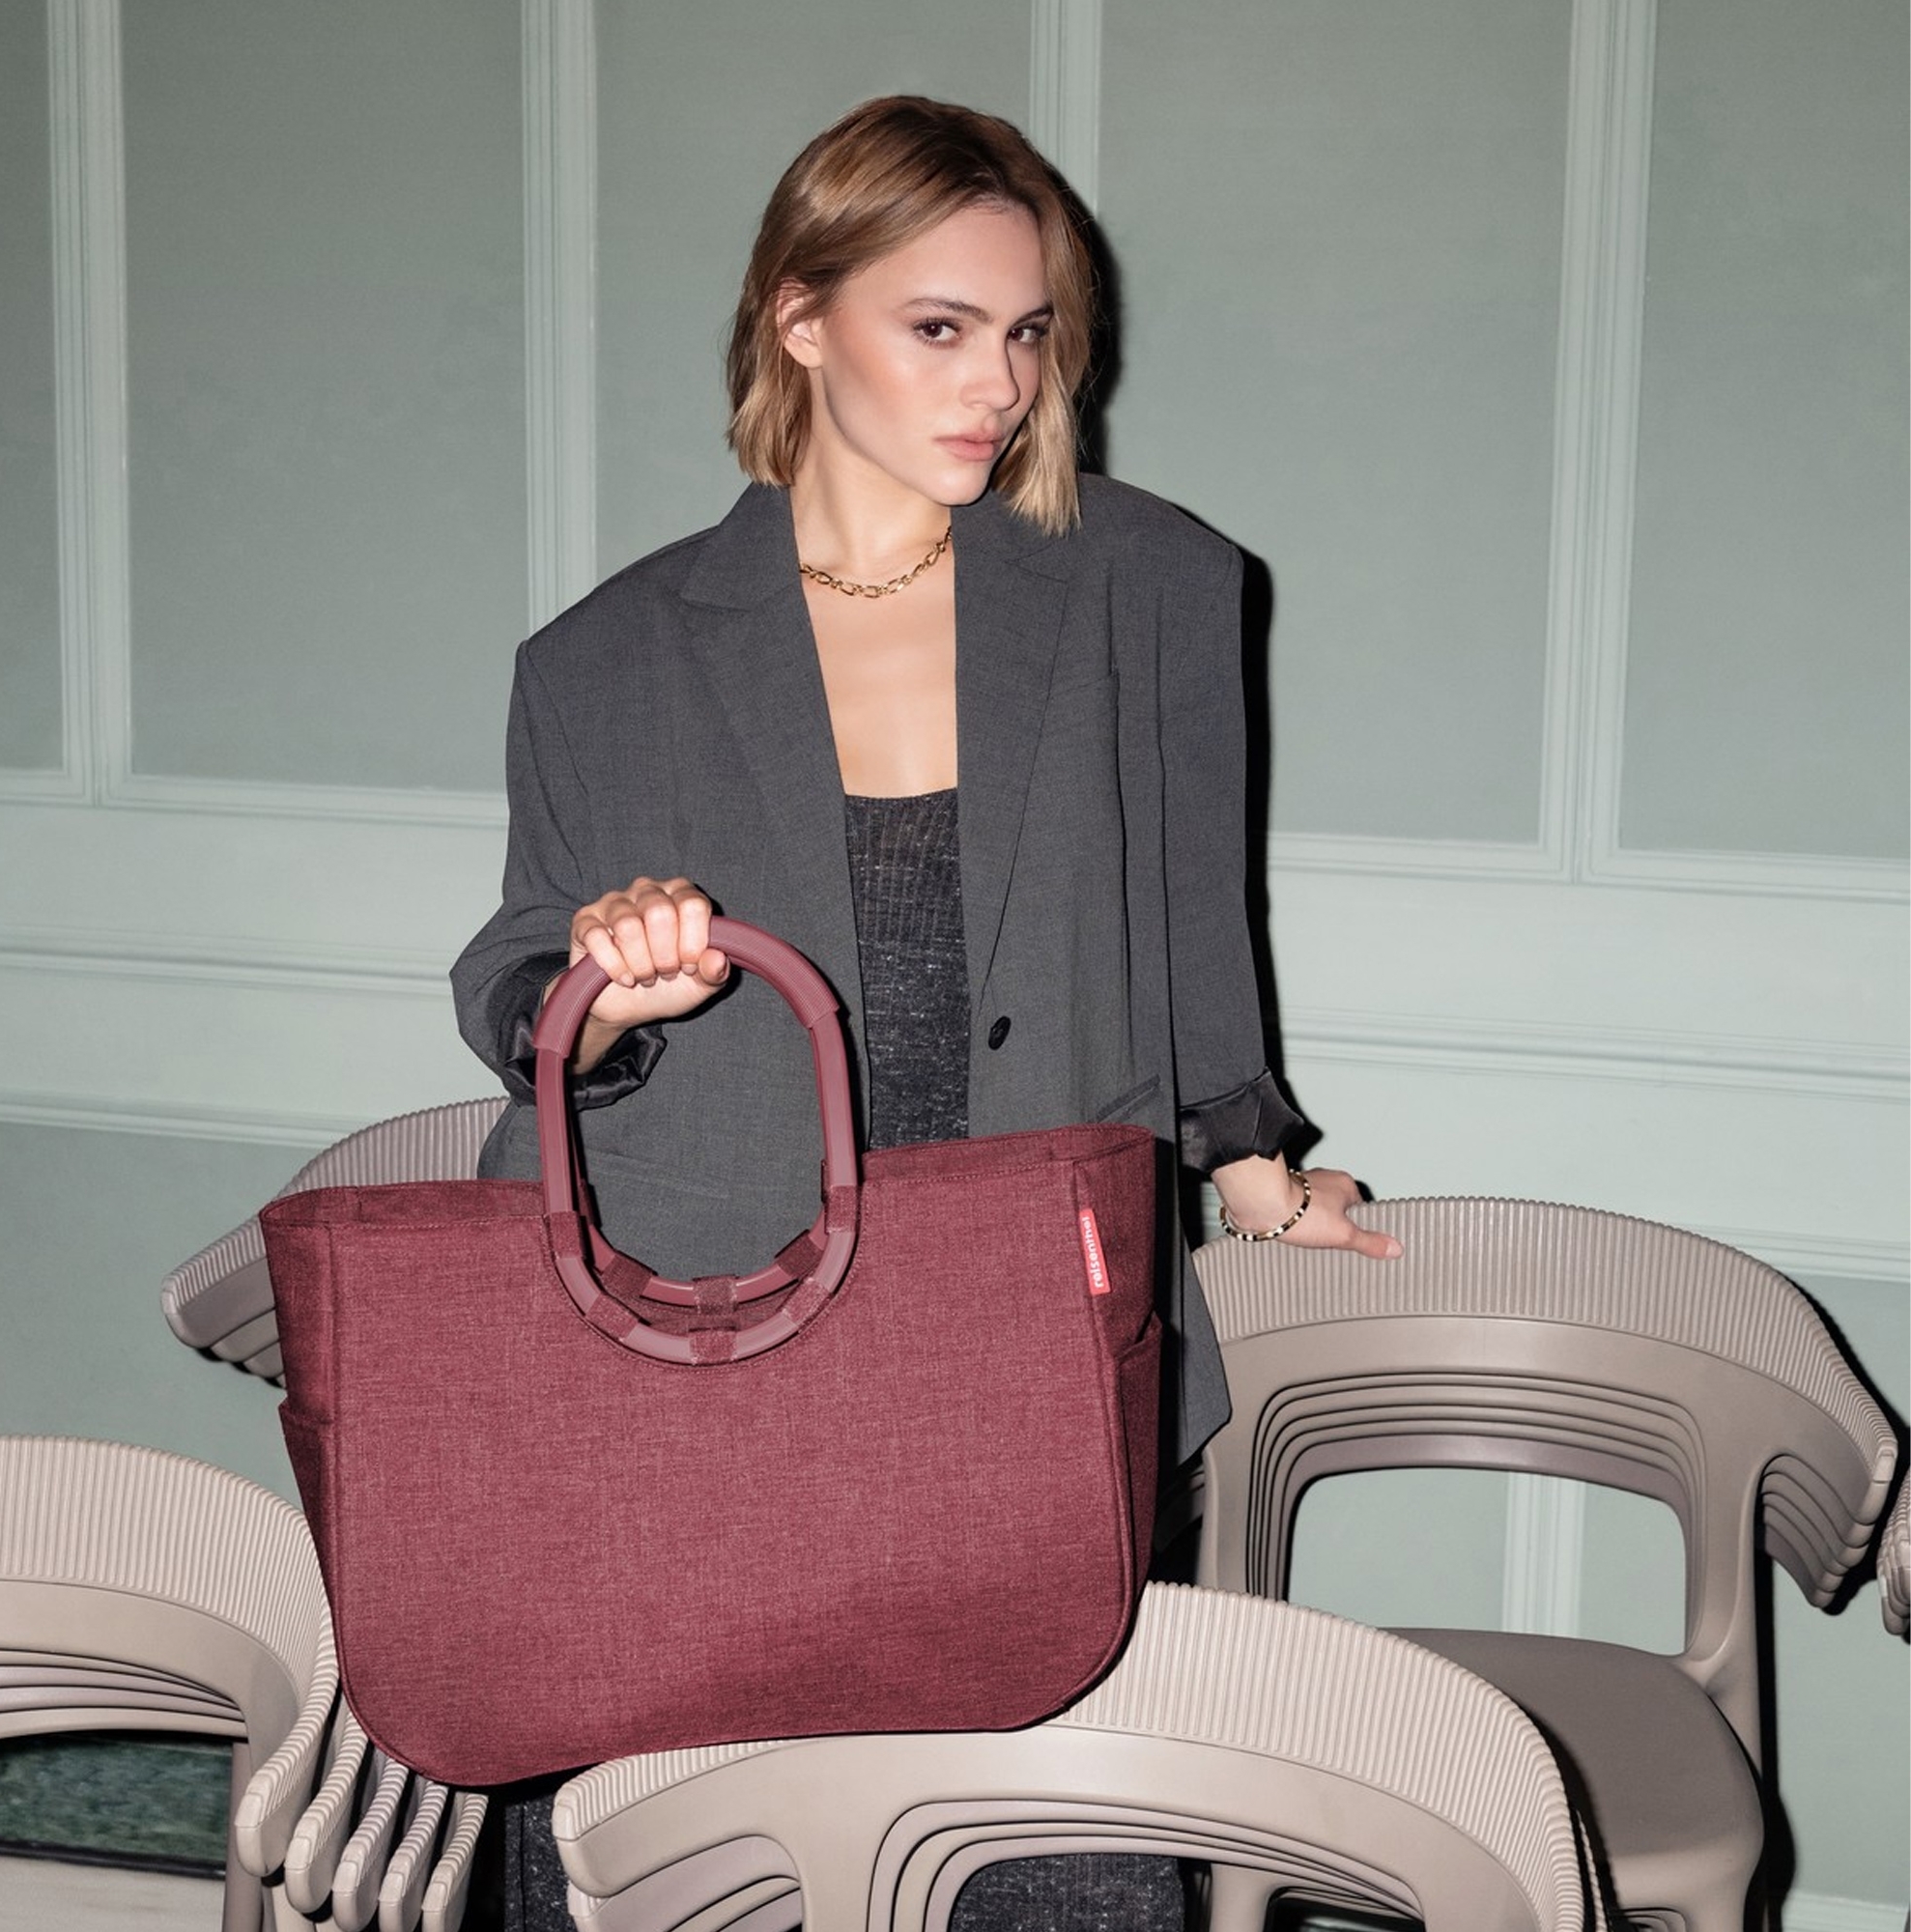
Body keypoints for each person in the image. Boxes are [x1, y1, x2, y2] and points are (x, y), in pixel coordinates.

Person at [453, 93, 1399, 1932]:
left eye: (1029, 333)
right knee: (694, 1868)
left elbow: (1205, 919)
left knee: (1043, 1854)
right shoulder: (604, 658)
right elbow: (512, 983)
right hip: (691, 1345)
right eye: (941, 327)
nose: (1002, 385)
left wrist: (1263, 1164)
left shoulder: (1152, 586)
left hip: (1027, 1340)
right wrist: (609, 985)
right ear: (801, 320)